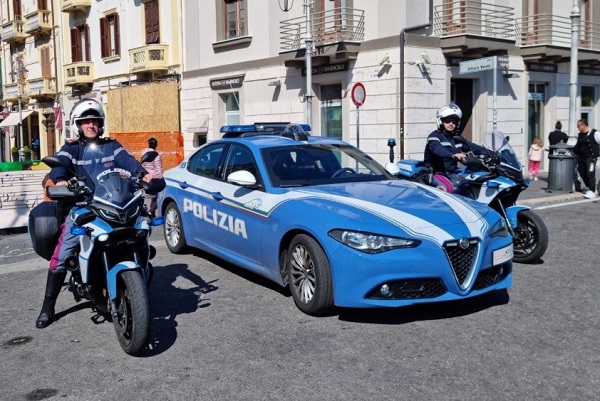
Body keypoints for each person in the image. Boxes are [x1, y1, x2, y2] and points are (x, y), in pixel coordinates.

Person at [35, 98, 155, 329]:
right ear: (77, 125)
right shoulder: (72, 148)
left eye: (95, 121)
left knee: (141, 228)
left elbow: (127, 161)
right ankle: (48, 307)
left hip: (112, 203)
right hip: (84, 205)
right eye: (86, 121)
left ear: (100, 124)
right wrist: (61, 180)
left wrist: (144, 174)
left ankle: (138, 273)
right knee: (64, 252)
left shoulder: (111, 146)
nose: (91, 125)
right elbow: (60, 164)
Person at [423, 103, 490, 187]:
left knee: (469, 184)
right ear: (441, 121)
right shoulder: (434, 137)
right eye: (447, 121)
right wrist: (453, 155)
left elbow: (471, 146)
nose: (451, 124)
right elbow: (438, 150)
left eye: (454, 122)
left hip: (451, 172)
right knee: (448, 187)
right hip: (435, 172)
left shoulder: (457, 138)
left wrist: (491, 153)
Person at [575, 119, 600, 199]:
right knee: (582, 172)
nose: (577, 127)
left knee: (590, 173)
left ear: (583, 125)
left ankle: (592, 191)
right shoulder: (580, 135)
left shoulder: (595, 133)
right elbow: (578, 145)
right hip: (581, 157)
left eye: (578, 126)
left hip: (591, 157)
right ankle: (589, 186)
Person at [141, 137, 164, 216]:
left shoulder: (144, 153)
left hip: (146, 178)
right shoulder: (156, 155)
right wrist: (162, 180)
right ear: (156, 145)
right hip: (155, 179)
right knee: (161, 197)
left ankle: (152, 215)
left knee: (153, 197)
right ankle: (151, 211)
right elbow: (159, 169)